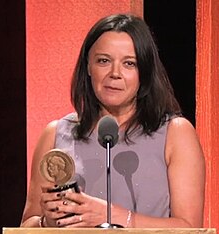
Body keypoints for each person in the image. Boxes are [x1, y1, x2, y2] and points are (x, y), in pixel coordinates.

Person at [20, 13, 205, 228]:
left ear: (143, 72)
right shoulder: (56, 133)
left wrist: (113, 216)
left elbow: (190, 227)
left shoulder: (175, 133)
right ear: (88, 67)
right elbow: (26, 225)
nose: (115, 73)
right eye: (103, 61)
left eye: (129, 63)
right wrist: (47, 222)